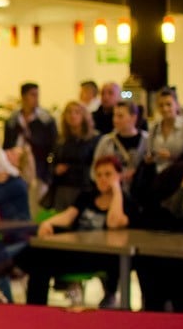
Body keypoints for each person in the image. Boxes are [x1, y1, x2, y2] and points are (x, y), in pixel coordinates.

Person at [18, 155, 133, 307]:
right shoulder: (87, 196)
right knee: (39, 261)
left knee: (39, 262)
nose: (103, 179)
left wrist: (117, 190)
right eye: (99, 175)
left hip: (102, 256)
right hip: (76, 250)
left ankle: (9, 267)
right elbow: (68, 216)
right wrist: (47, 223)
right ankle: (35, 310)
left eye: (108, 174)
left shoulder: (126, 202)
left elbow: (113, 223)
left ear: (118, 175)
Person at [48, 101, 99, 210]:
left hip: (83, 187)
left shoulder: (93, 139)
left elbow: (94, 164)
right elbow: (53, 161)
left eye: (77, 112)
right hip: (63, 187)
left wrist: (71, 168)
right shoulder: (61, 140)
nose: (73, 116)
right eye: (69, 112)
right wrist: (55, 169)